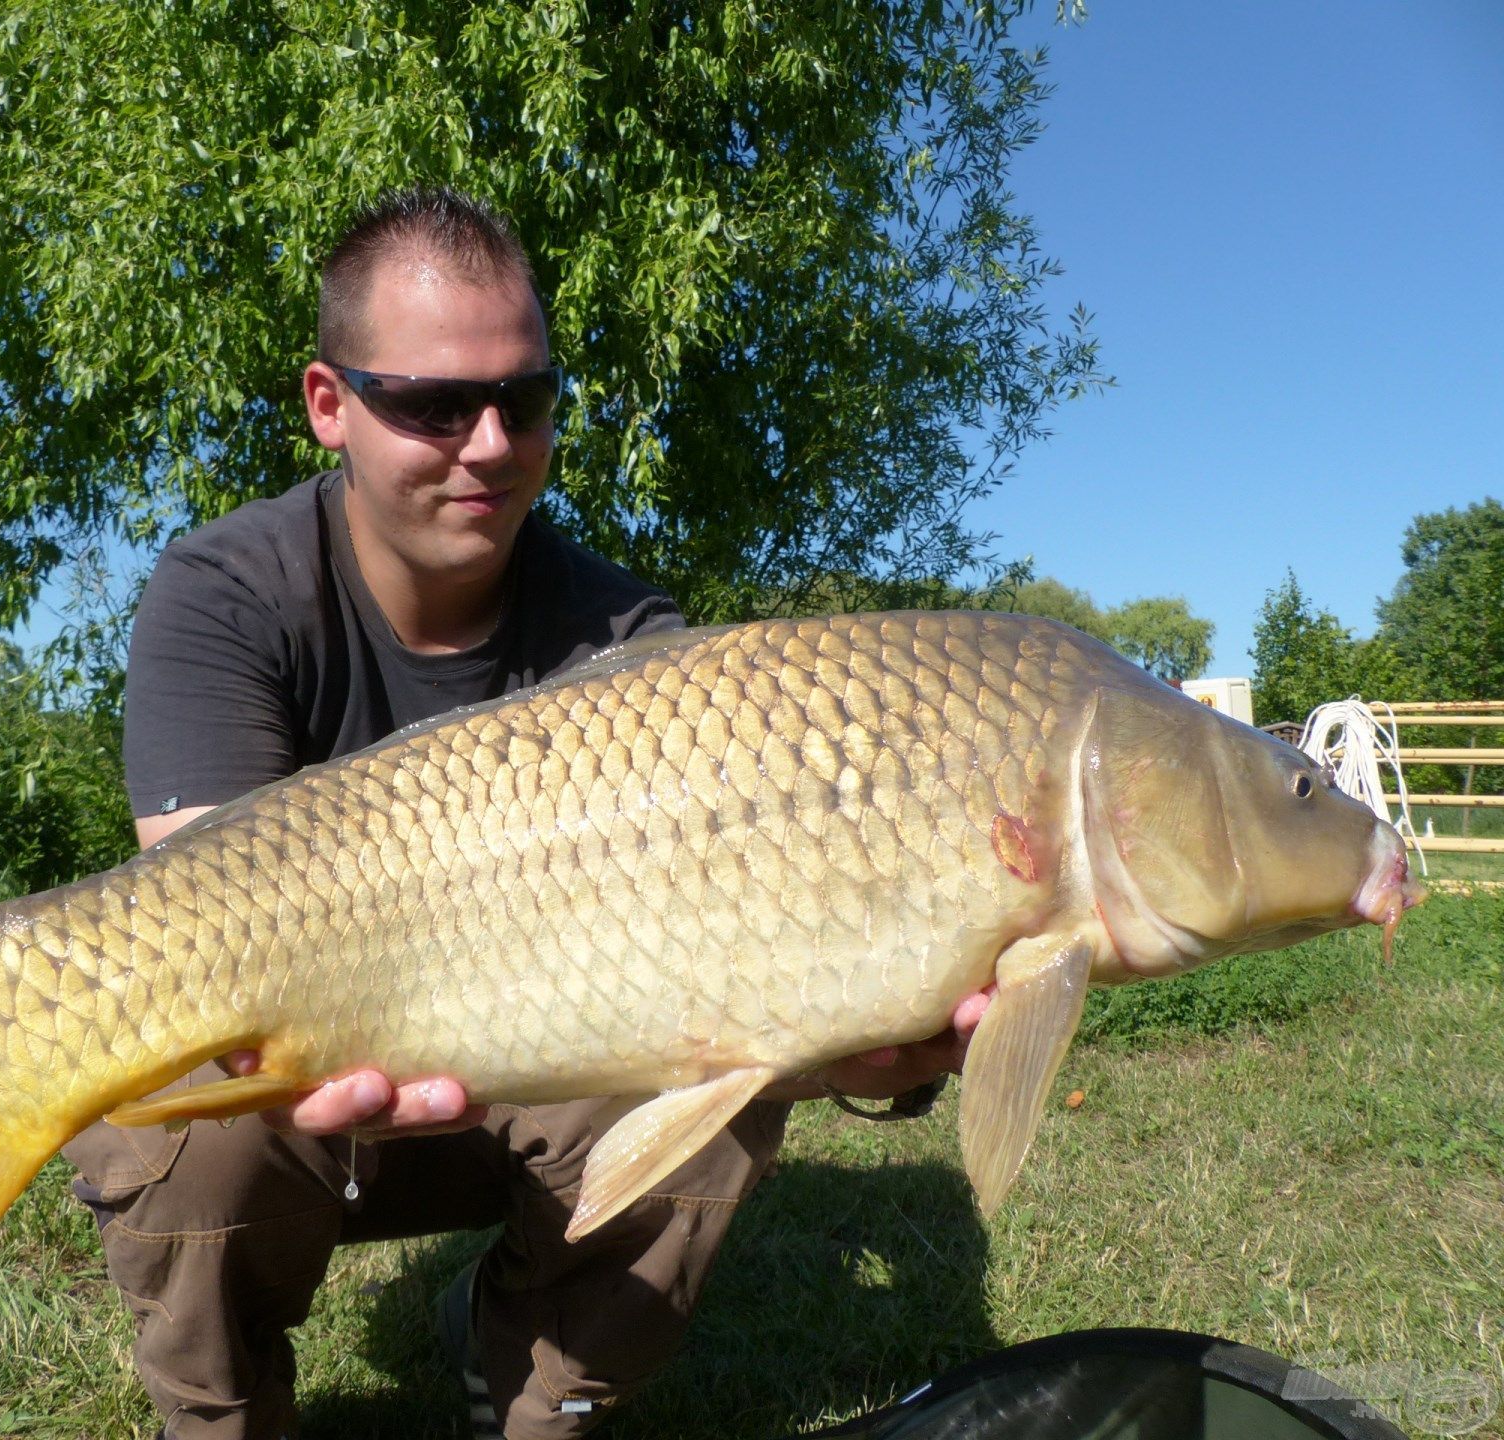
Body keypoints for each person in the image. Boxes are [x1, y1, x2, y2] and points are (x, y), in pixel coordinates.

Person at [63, 187, 986, 1440]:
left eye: (526, 400)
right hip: (307, 1099)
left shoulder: (631, 641)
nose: (491, 442)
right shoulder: (227, 589)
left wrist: (860, 1044)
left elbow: (733, 961)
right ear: (329, 405)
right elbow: (200, 925)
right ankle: (223, 1421)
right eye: (436, 405)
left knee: (722, 1086)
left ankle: (532, 1396)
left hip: (536, 1087)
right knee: (173, 1081)